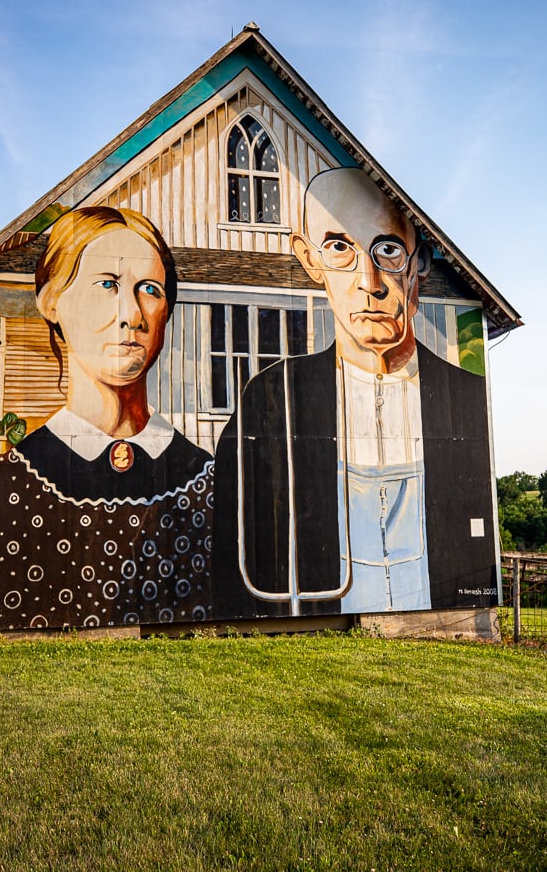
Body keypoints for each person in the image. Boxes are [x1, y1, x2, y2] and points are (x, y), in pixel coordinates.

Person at [212, 168, 497, 620]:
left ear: (419, 262)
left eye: (387, 250)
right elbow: (232, 542)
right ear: (309, 259)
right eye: (340, 248)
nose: (371, 281)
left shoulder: (462, 396)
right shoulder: (270, 396)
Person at [0, 206, 214, 632]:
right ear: (51, 303)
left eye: (150, 290)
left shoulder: (209, 482)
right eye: (107, 285)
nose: (132, 315)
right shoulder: (1, 490)